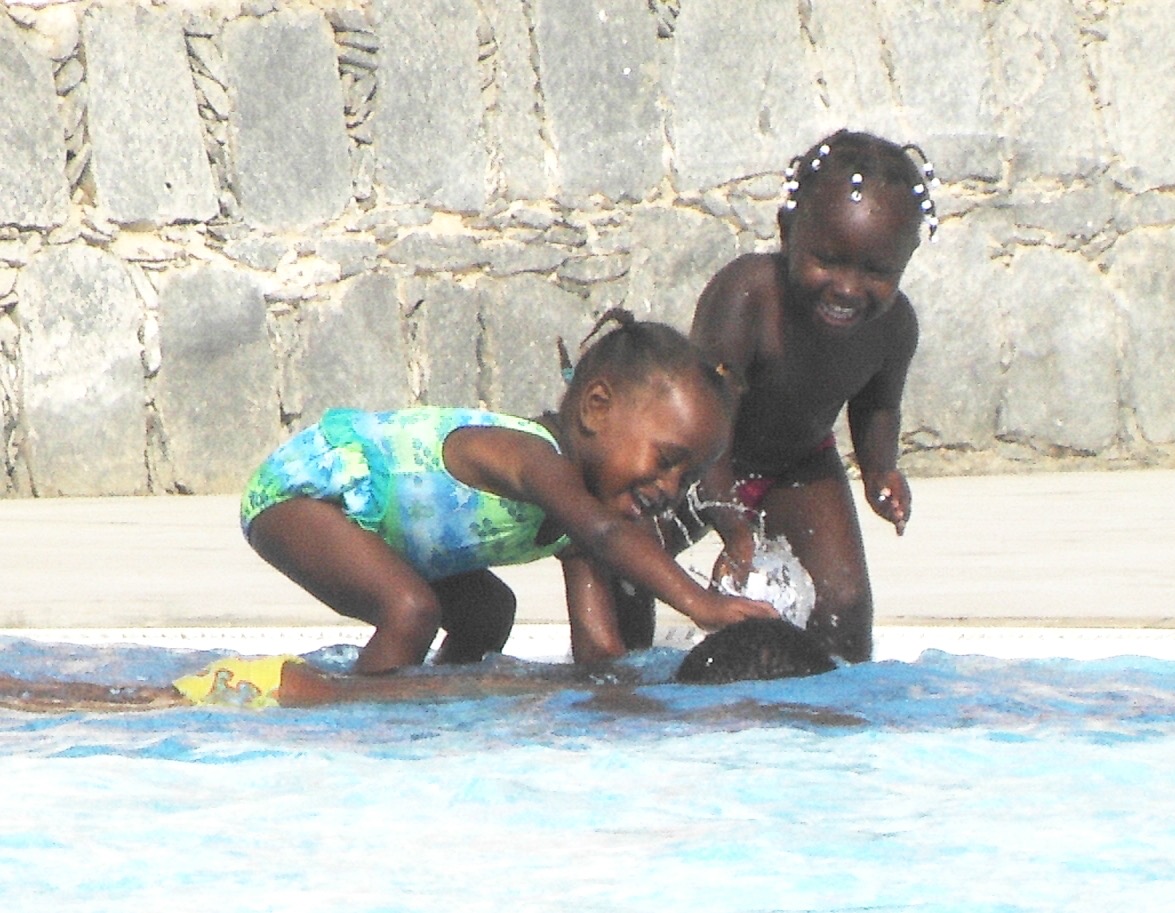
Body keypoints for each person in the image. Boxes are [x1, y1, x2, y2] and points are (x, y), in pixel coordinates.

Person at [239, 309, 777, 675]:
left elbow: (599, 650)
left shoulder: (581, 518)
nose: (670, 489)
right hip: (304, 496)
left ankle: (439, 706)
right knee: (410, 609)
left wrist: (627, 711)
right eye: (665, 460)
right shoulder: (535, 458)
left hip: (383, 536)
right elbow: (607, 533)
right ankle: (354, 718)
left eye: (686, 479)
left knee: (489, 613)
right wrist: (701, 604)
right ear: (595, 407)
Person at [617, 130, 939, 664]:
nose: (848, 287)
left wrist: (881, 471)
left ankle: (828, 709)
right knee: (633, 558)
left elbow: (877, 404)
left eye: (876, 271)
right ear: (788, 231)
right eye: (829, 259)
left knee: (845, 605)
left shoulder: (894, 327)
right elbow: (709, 420)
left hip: (798, 462)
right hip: (700, 458)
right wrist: (732, 528)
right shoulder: (748, 296)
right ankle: (625, 674)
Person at [0, 618, 836, 713]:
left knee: (93, 700)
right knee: (76, 705)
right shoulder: (623, 706)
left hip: (285, 686)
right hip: (279, 698)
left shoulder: (608, 687)